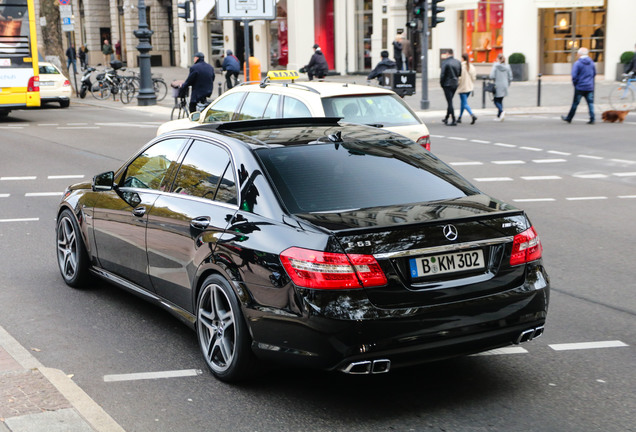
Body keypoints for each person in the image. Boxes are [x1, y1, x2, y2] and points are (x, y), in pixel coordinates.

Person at [562, 47, 596, 125]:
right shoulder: (591, 63)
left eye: (577, 53)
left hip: (580, 86)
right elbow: (594, 74)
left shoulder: (578, 63)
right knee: (590, 103)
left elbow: (574, 76)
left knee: (575, 103)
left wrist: (575, 84)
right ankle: (592, 118)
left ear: (579, 54)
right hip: (589, 86)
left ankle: (569, 118)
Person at [440, 49, 461, 126]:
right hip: (455, 83)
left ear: (447, 54)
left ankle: (454, 119)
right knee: (450, 101)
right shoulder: (458, 62)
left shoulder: (445, 62)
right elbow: (459, 73)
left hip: (447, 84)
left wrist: (441, 83)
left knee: (449, 102)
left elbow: (442, 75)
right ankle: (446, 117)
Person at [489, 53, 512, 121]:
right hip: (505, 84)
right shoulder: (507, 66)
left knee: (496, 101)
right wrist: (508, 84)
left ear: (498, 59)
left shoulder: (495, 66)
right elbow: (510, 77)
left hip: (498, 85)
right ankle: (499, 116)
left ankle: (501, 111)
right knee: (500, 100)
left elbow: (492, 76)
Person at [457, 53, 477, 125]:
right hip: (469, 87)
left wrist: (458, 84)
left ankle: (472, 115)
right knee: (463, 102)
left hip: (463, 87)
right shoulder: (471, 66)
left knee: (464, 103)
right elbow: (474, 77)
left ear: (462, 58)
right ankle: (459, 117)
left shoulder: (461, 66)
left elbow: (459, 77)